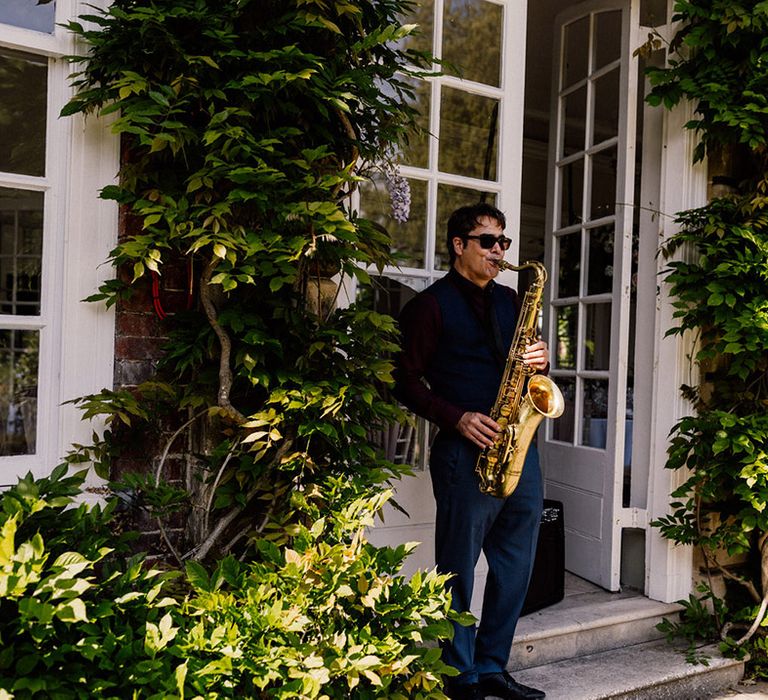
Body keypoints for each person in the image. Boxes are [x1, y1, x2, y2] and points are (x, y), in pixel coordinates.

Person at [394, 203, 549, 700]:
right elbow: (402, 380)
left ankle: (491, 667)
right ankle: (458, 675)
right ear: (459, 245)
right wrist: (455, 416)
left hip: (517, 449)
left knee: (516, 565)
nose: (500, 251)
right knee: (457, 567)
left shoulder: (511, 301)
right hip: (466, 452)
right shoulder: (429, 306)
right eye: (488, 242)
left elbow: (528, 377)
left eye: (504, 242)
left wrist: (540, 362)